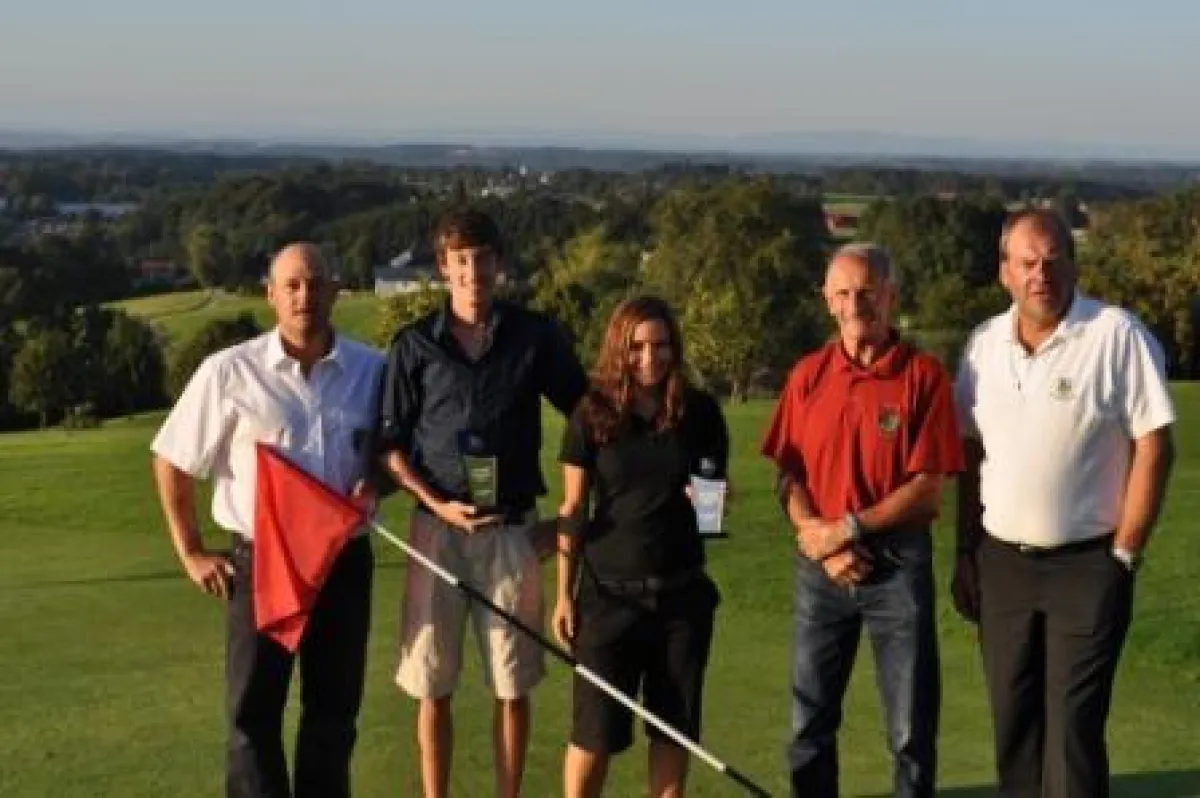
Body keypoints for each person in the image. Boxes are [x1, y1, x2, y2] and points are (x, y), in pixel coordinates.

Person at [952, 208, 1176, 798]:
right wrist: (966, 553)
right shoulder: (982, 347)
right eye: (1027, 263)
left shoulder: (1115, 334)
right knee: (1014, 728)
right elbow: (969, 456)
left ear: (1073, 265)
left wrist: (1124, 554)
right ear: (1005, 272)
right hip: (1002, 564)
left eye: (1053, 261)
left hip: (1089, 564)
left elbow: (1154, 445)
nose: (1041, 275)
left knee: (1074, 733)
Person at [150, 243, 385, 798]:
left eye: (316, 284)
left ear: (335, 290)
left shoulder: (373, 370)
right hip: (261, 563)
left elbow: (394, 456)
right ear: (271, 295)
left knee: (333, 715)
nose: (306, 296)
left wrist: (379, 481)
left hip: (343, 562)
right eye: (293, 285)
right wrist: (190, 551)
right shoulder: (229, 372)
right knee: (253, 717)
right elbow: (171, 460)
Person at [373, 206, 588, 798]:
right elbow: (390, 449)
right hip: (436, 532)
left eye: (483, 259)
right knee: (432, 684)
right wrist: (436, 504)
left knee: (511, 685)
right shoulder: (414, 346)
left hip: (510, 533)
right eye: (461, 260)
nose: (473, 271)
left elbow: (587, 417)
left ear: (499, 264)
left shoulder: (535, 337)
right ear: (444, 268)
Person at [761, 242, 964, 798]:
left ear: (891, 296)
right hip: (820, 570)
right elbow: (787, 475)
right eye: (844, 293)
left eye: (868, 292)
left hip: (896, 566)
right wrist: (817, 539)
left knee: (910, 731)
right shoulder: (808, 375)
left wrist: (846, 530)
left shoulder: (922, 377)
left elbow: (926, 491)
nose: (856, 305)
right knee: (809, 726)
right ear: (828, 301)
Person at [552, 295, 729, 798]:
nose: (649, 358)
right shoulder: (592, 413)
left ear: (674, 347)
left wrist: (716, 503)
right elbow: (572, 509)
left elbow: (712, 504)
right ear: (619, 348)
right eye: (637, 347)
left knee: (672, 733)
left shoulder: (699, 412)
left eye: (660, 346)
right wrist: (565, 595)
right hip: (608, 599)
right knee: (593, 738)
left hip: (681, 600)